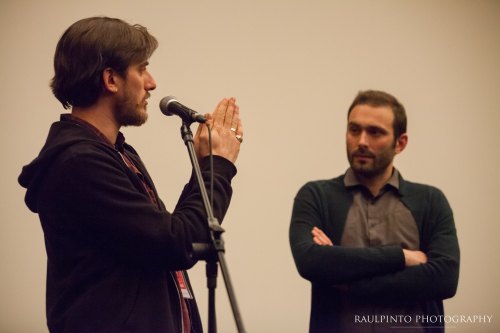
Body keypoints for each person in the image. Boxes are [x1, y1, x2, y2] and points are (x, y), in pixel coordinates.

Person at [18, 16, 243, 333]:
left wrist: (209, 167)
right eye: (141, 69)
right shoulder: (79, 163)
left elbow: (169, 237)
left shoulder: (118, 154)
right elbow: (178, 243)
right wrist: (216, 166)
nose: (152, 83)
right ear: (111, 79)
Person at [289, 90, 459, 333]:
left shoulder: (431, 201)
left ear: (400, 143)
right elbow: (311, 262)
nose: (362, 141)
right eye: (354, 130)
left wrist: (345, 280)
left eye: (375, 132)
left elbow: (445, 279)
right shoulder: (317, 196)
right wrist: (403, 258)